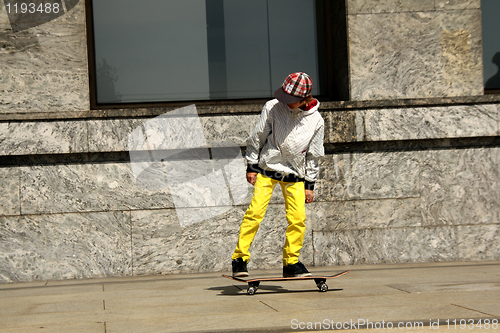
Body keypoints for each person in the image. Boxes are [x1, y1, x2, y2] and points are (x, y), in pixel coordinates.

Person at [231, 72, 325, 278]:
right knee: (255, 213)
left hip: (295, 174)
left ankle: (291, 263)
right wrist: (251, 165)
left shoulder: (316, 120)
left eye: (290, 100)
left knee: (298, 219)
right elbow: (258, 136)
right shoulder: (272, 107)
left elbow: (314, 154)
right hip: (267, 170)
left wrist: (310, 184)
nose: (285, 102)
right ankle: (240, 259)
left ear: (305, 99)